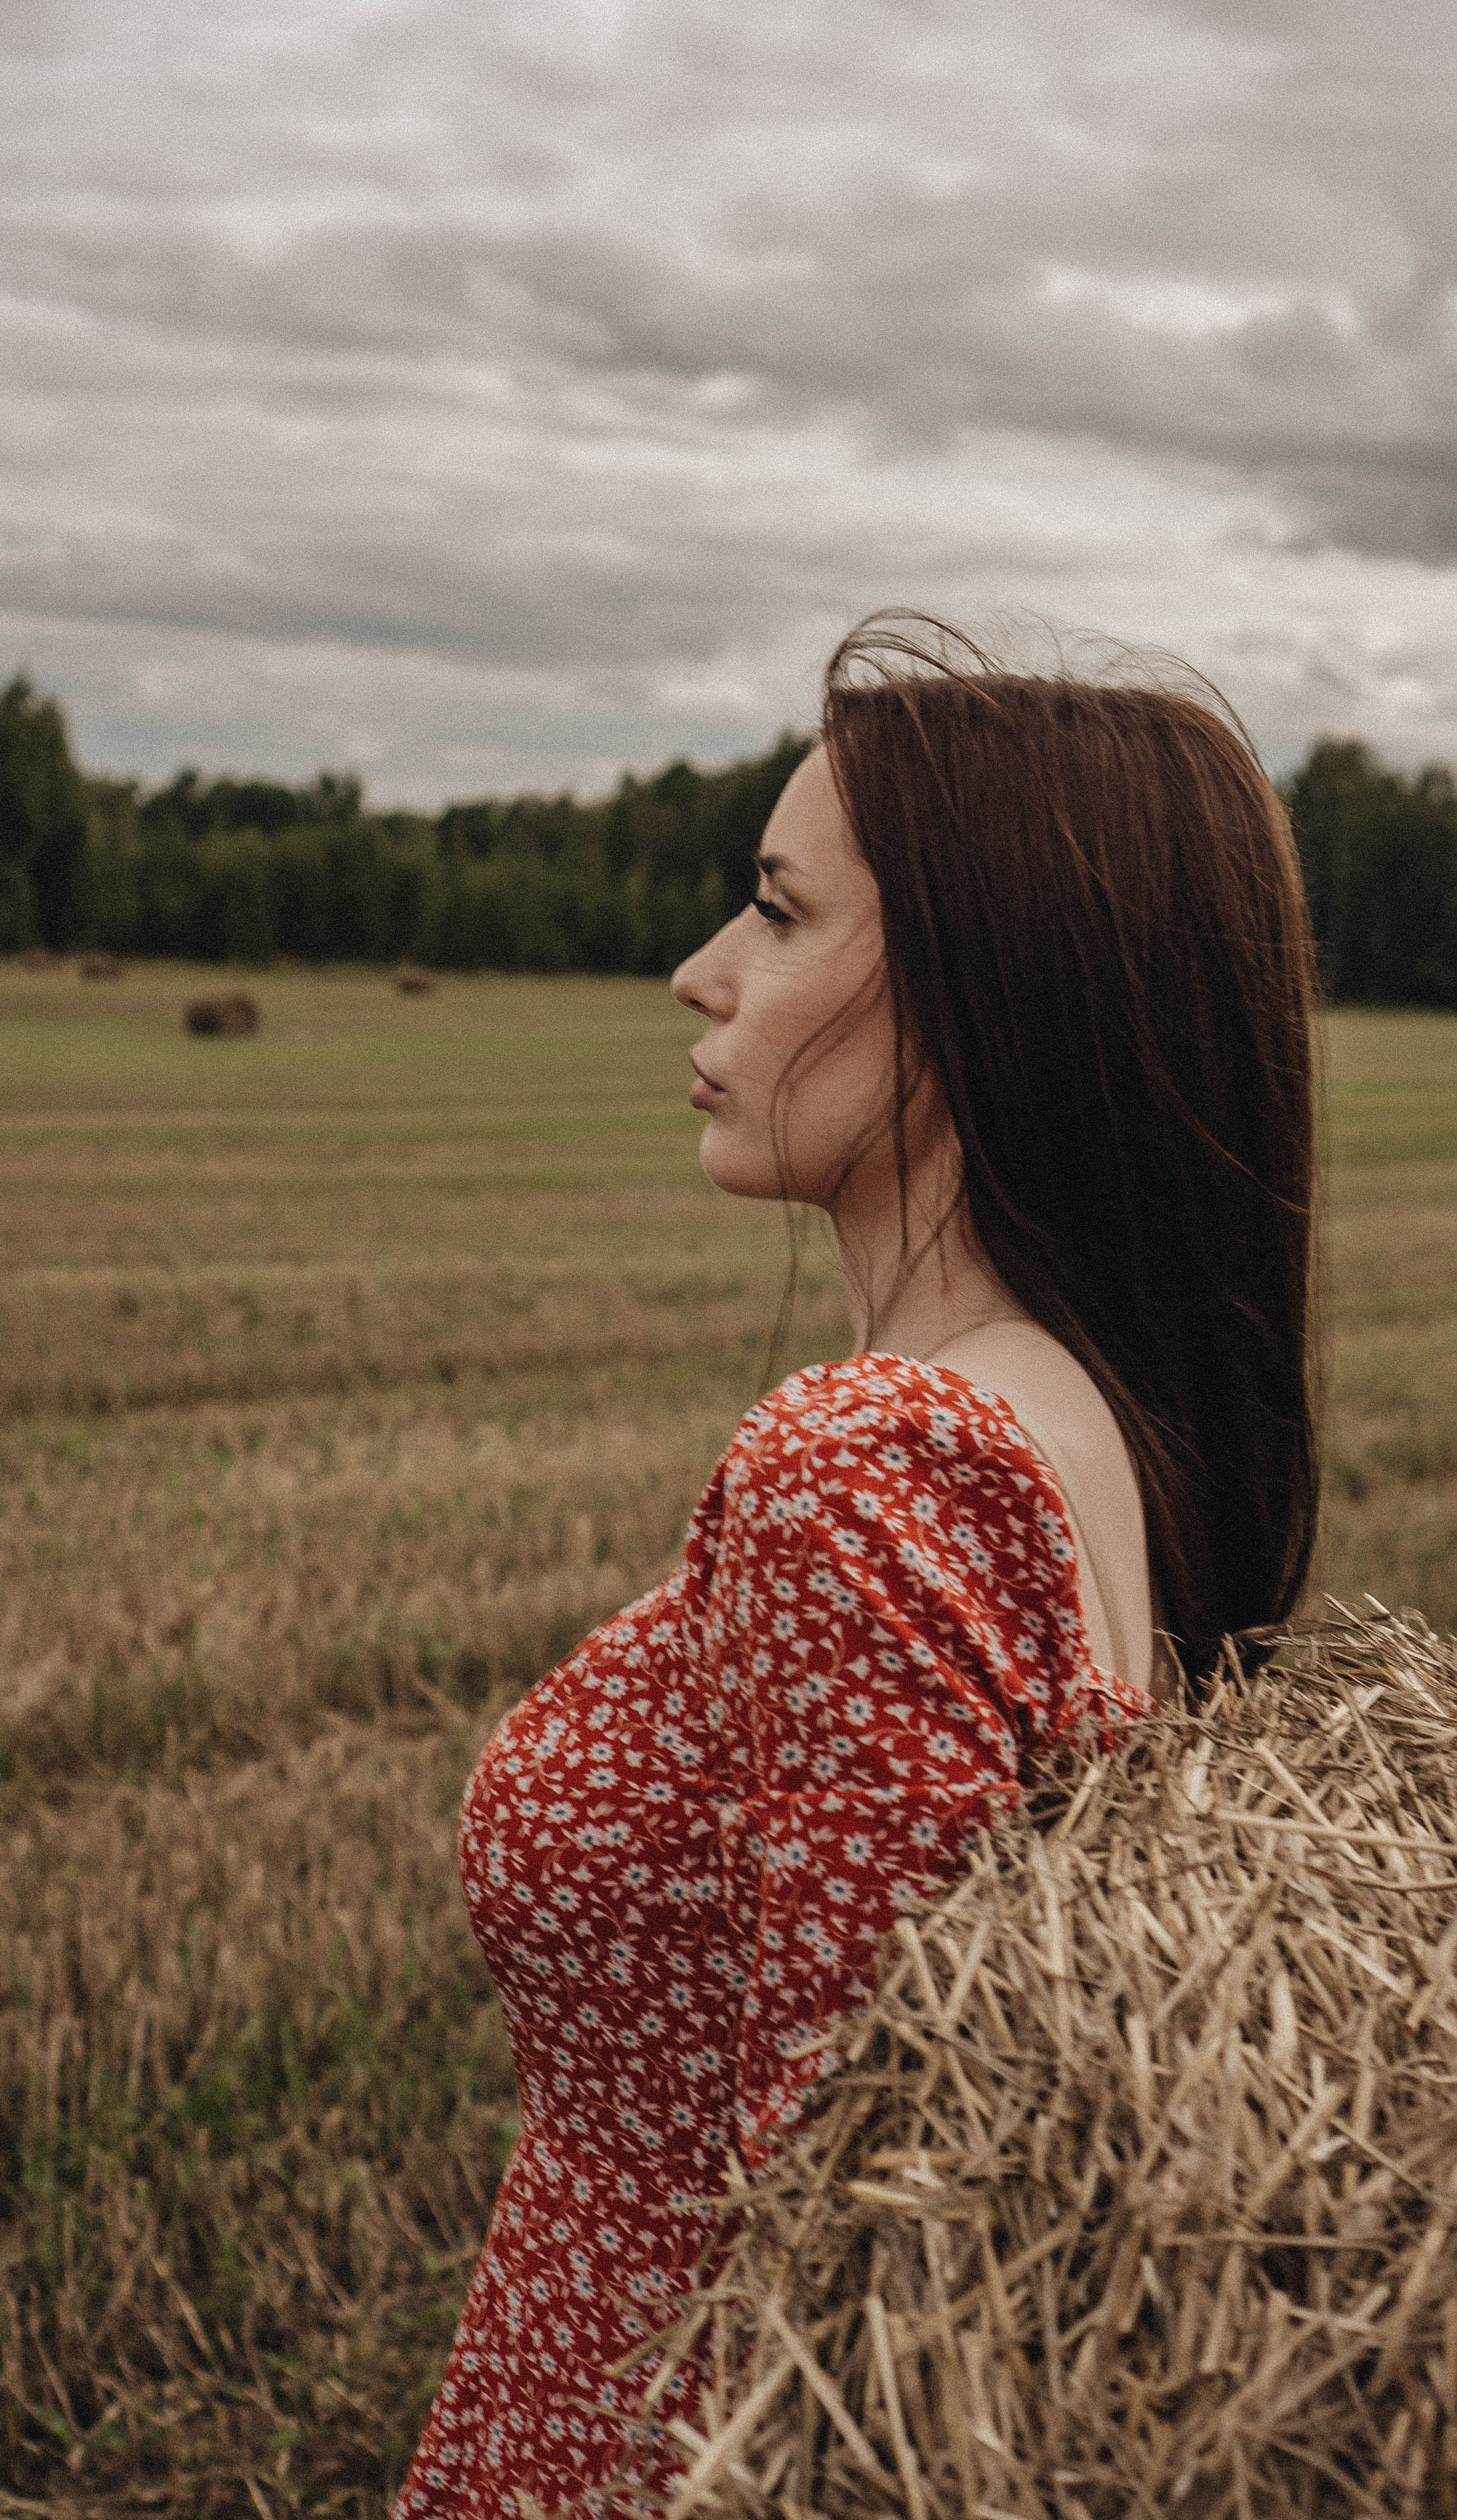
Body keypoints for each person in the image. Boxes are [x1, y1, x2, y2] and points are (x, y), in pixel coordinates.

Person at [394, 618, 1319, 2518]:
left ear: (985, 991)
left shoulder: (864, 1469)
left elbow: (853, 2259)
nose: (701, 973)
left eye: (780, 912)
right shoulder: (1089, 1423)